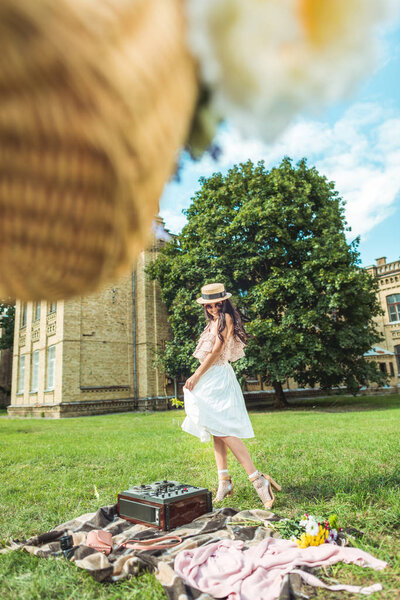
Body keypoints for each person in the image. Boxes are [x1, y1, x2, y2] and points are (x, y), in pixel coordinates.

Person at [182, 283, 281, 509]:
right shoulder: (212, 323)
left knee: (224, 430)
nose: (214, 308)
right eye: (209, 305)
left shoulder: (225, 319)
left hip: (217, 379)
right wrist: (198, 376)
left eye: (218, 304)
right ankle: (224, 481)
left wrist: (196, 375)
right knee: (216, 429)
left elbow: (217, 351)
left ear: (224, 302)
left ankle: (258, 479)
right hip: (209, 378)